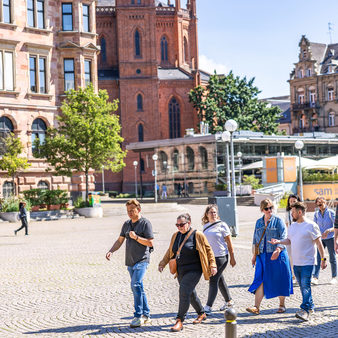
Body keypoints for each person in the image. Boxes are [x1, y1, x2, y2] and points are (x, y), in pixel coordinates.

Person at [158, 213, 217, 332]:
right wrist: (162, 263)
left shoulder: (197, 235)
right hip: (181, 271)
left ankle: (179, 320)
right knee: (190, 293)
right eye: (177, 225)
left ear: (189, 223)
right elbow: (170, 251)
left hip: (195, 270)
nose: (179, 227)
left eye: (182, 224)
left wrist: (213, 264)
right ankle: (201, 313)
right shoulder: (176, 235)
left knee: (184, 290)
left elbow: (208, 249)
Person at [270, 202, 327, 321]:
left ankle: (305, 310)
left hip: (308, 262)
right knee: (302, 286)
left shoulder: (311, 225)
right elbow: (289, 240)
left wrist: (323, 258)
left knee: (305, 286)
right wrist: (278, 242)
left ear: (300, 212)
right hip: (296, 263)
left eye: (293, 212)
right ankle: (310, 306)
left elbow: (319, 243)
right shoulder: (293, 226)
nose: (292, 214)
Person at [105, 199, 154, 328]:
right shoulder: (126, 224)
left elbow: (150, 243)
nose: (130, 213)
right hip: (130, 262)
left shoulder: (145, 223)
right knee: (139, 288)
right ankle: (147, 315)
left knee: (136, 284)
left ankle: (138, 316)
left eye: (132, 210)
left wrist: (136, 237)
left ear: (139, 209)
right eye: (128, 211)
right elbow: (120, 240)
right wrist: (111, 251)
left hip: (142, 260)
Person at [246, 198, 293, 315]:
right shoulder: (259, 222)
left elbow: (284, 236)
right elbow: (255, 239)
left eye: (271, 207)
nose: (269, 210)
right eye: (267, 208)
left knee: (280, 278)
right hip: (262, 255)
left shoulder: (278, 221)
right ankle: (256, 307)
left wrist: (278, 249)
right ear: (262, 210)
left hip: (277, 254)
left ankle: (282, 305)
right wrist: (254, 255)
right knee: (260, 279)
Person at [201, 204, 236, 315]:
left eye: (215, 212)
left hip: (221, 256)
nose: (213, 214)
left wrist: (232, 257)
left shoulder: (222, 225)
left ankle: (208, 306)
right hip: (210, 258)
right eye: (211, 212)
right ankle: (229, 301)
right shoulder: (205, 226)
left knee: (213, 279)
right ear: (207, 214)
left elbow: (229, 242)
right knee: (219, 280)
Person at [312, 197, 337, 285]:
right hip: (320, 239)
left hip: (330, 238)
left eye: (321, 204)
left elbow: (336, 226)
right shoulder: (316, 214)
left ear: (325, 203)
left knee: (332, 257)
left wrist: (328, 230)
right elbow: (314, 226)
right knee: (318, 258)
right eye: (318, 205)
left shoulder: (331, 213)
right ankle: (315, 277)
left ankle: (334, 277)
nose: (320, 206)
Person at [285, 194, 302, 283]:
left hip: (299, 237)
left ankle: (300, 276)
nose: (292, 203)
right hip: (290, 237)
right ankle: (293, 276)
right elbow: (287, 225)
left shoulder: (300, 212)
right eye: (290, 201)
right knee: (290, 257)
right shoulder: (287, 212)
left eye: (294, 201)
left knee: (299, 256)